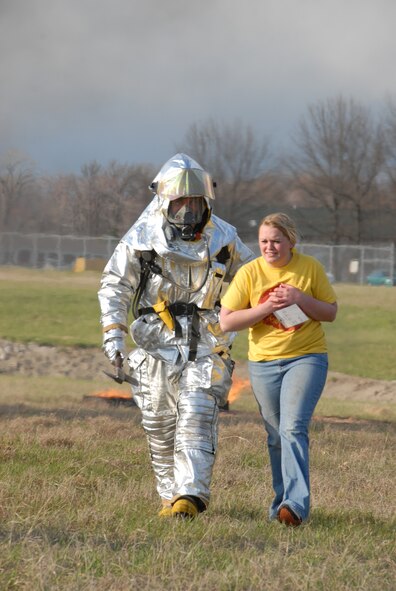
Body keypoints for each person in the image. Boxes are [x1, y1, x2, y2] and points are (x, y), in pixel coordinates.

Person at [98, 153, 255, 519]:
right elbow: (115, 285)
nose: (188, 209)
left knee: (197, 412)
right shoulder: (141, 238)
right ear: (166, 201)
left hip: (207, 339)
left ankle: (192, 493)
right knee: (159, 422)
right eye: (181, 201)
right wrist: (114, 336)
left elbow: (253, 277)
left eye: (195, 202)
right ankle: (172, 499)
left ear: (206, 202)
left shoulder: (224, 238)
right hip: (155, 338)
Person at [220, 212, 337, 526]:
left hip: (306, 357)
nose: (269, 247)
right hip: (263, 363)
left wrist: (300, 297)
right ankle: (281, 507)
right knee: (275, 436)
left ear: (290, 241)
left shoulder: (309, 268)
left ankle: (296, 506)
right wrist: (265, 308)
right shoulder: (250, 273)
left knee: (292, 428)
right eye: (263, 241)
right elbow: (227, 320)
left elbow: (330, 312)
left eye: (276, 241)